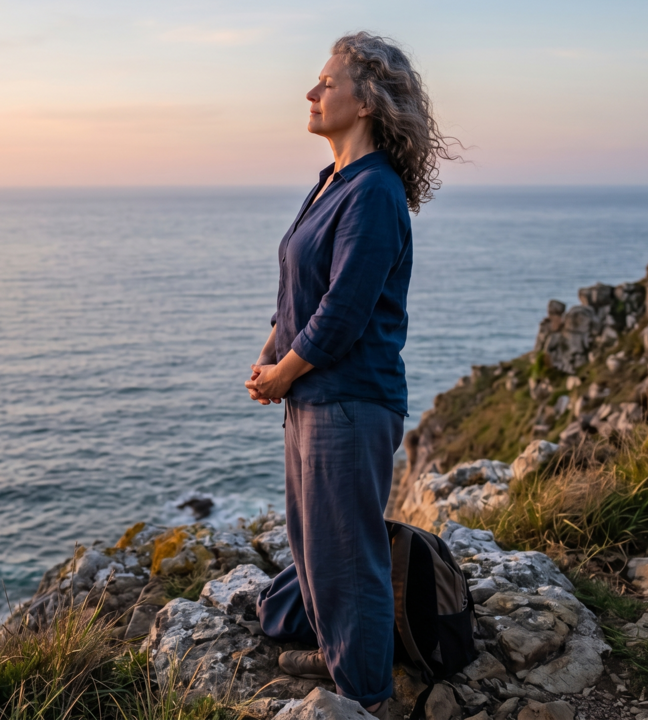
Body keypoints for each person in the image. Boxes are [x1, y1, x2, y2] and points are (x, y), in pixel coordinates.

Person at [243, 32, 459, 715]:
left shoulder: (374, 191)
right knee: (312, 544)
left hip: (349, 400)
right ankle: (341, 653)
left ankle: (363, 694)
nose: (311, 93)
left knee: (347, 552)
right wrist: (271, 350)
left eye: (326, 83)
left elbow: (343, 310)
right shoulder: (331, 184)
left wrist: (284, 374)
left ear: (365, 100)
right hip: (314, 394)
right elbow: (301, 288)